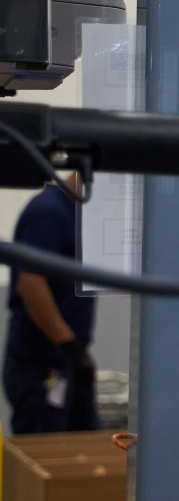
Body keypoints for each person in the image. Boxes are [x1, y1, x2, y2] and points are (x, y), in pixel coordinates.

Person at [3, 175, 98, 434]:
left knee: (86, 451)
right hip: (41, 364)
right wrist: (68, 344)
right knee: (43, 461)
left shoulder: (80, 214)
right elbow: (31, 284)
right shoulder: (50, 212)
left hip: (68, 362)